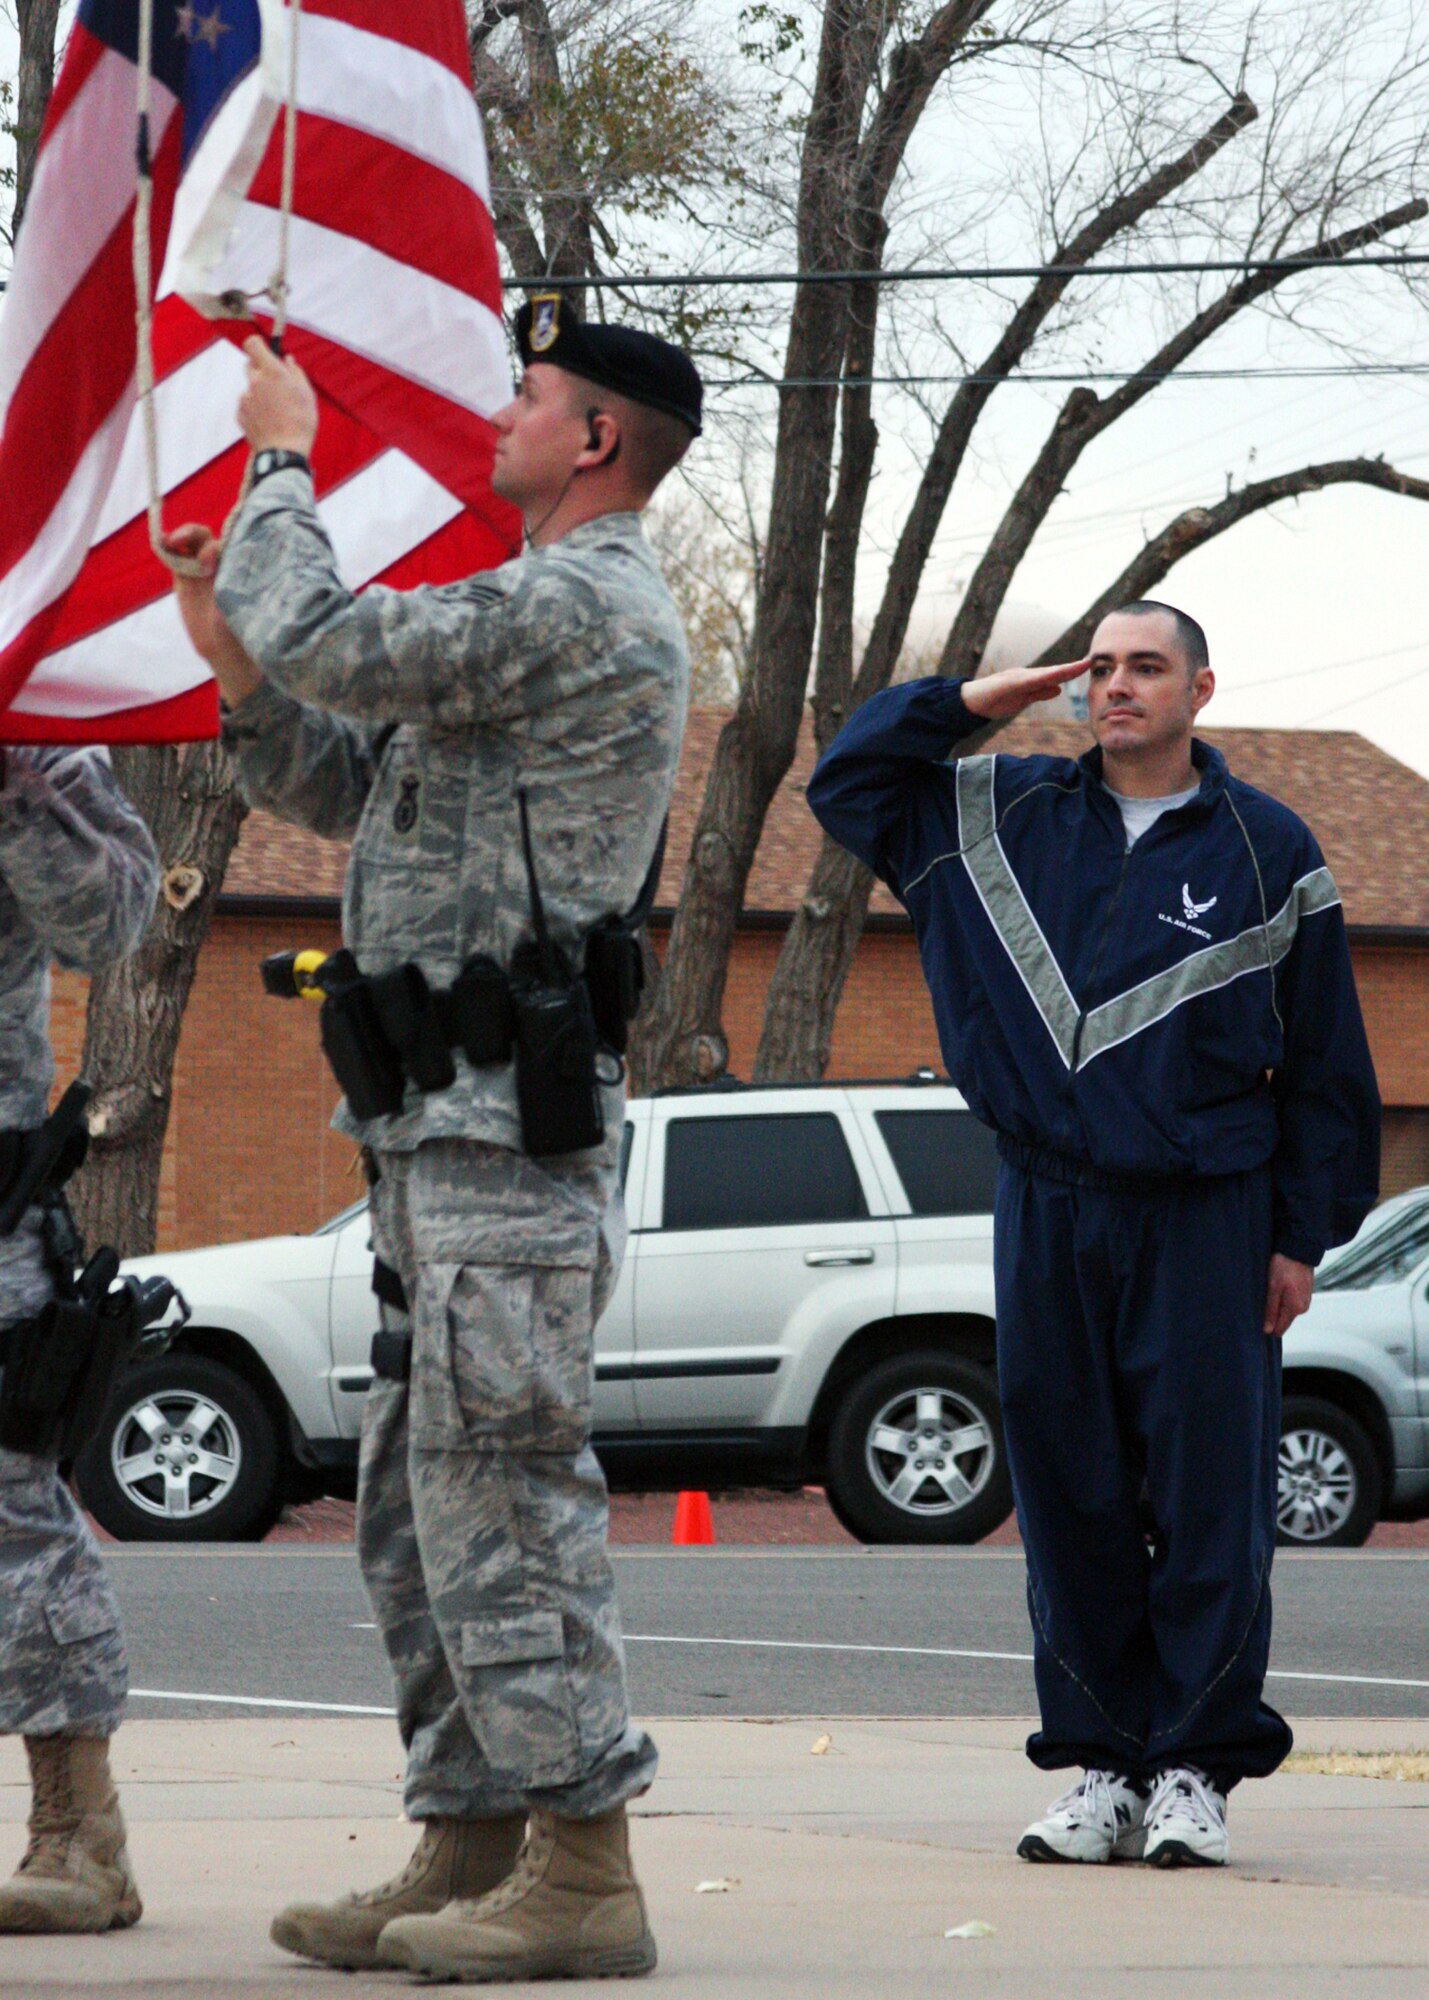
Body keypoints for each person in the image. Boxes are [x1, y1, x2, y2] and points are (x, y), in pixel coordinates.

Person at [167, 297, 699, 1981]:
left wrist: (279, 457)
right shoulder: (532, 614)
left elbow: (338, 637)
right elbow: (345, 780)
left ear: (595, 438)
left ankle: (582, 1868)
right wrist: (225, 641)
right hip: (432, 1137)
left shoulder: (579, 601)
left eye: (527, 393)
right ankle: (471, 1837)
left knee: (506, 1492)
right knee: (418, 1501)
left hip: (502, 1144)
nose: (499, 412)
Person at [807, 602, 1379, 1870]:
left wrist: (1301, 1235)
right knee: (1068, 1491)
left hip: (1207, 1216)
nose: (1117, 686)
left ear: (1199, 689)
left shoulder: (1266, 846)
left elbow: (1329, 1067)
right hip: (1046, 1201)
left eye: (1145, 668)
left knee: (1206, 1496)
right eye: (1101, 666)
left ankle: (1192, 1767)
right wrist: (980, 696)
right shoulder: (991, 813)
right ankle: (1099, 1766)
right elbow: (845, 779)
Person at [0, 746, 160, 1932]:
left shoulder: (35, 729)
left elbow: (110, 917)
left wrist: (15, 788)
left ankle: (77, 1830)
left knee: (13, 1513)